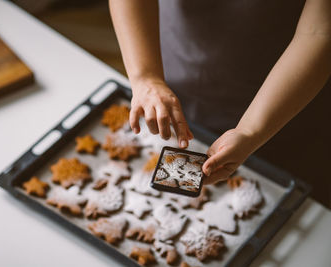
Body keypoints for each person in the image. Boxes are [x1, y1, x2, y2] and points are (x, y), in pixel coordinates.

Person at [109, 0, 331, 207]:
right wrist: (146, 76)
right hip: (171, 62)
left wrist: (250, 131)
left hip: (280, 103)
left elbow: (318, 32)